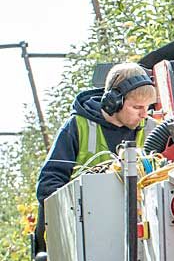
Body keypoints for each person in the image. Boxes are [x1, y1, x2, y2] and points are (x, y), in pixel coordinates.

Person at [35, 62, 157, 246]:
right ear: (113, 102)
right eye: (137, 107)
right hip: (86, 237)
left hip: (139, 237)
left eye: (147, 107)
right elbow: (48, 186)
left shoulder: (151, 130)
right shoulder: (78, 127)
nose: (144, 114)